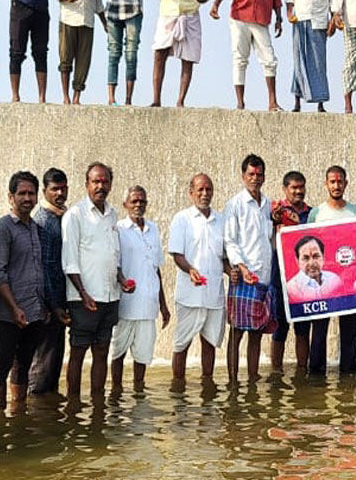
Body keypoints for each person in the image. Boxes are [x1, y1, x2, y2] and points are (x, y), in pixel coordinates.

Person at [62, 162, 127, 401]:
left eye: (105, 181)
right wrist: (83, 293)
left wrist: (121, 280)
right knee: (78, 352)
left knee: (102, 351)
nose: (101, 186)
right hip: (84, 299)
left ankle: (98, 403)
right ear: (87, 184)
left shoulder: (112, 215)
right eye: (96, 181)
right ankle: (74, 404)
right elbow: (69, 261)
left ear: (110, 184)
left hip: (110, 296)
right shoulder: (75, 215)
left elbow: (114, 255)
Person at [0, 171, 49, 411]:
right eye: (22, 193)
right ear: (10, 197)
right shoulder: (3, 228)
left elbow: (37, 270)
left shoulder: (36, 228)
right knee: (2, 364)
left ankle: (18, 412)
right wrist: (14, 308)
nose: (27, 198)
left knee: (24, 363)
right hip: (9, 314)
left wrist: (43, 304)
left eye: (31, 193)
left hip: (34, 311)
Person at [168, 174, 230, 382]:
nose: (205, 194)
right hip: (189, 295)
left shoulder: (221, 220)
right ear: (191, 192)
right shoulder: (182, 219)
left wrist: (233, 272)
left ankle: (207, 385)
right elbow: (177, 254)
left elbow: (223, 257)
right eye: (200, 190)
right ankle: (178, 388)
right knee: (181, 344)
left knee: (210, 343)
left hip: (214, 295)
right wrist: (190, 269)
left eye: (209, 189)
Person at [305, 165, 356, 374]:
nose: (336, 185)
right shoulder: (316, 213)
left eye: (340, 182)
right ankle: (315, 378)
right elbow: (307, 244)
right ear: (326, 184)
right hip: (322, 281)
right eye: (332, 181)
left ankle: (348, 378)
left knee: (349, 332)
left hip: (349, 283)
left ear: (346, 184)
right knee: (319, 331)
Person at [224, 154, 276, 383]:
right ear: (243, 176)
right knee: (237, 332)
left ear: (264, 177)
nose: (255, 178)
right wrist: (242, 268)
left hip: (264, 277)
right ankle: (233, 380)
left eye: (259, 174)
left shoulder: (268, 205)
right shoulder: (235, 204)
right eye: (251, 174)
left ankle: (253, 377)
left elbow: (271, 239)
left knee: (257, 333)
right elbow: (229, 241)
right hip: (244, 277)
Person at [113, 186, 170, 390]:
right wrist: (122, 281)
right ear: (125, 204)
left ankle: (139, 392)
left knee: (143, 356)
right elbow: (115, 264)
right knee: (117, 352)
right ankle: (116, 392)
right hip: (126, 306)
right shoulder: (118, 228)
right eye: (134, 201)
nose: (138, 205)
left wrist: (163, 305)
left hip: (148, 305)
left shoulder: (153, 229)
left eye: (142, 201)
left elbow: (156, 269)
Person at [29, 168, 69, 395]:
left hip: (59, 302)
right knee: (43, 364)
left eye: (63, 188)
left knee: (53, 361)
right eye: (55, 189)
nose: (60, 193)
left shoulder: (61, 216)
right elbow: (45, 266)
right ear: (45, 191)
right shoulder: (43, 221)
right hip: (47, 305)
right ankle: (35, 415)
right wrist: (53, 306)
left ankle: (48, 416)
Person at [269, 171, 311, 370]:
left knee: (303, 329)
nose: (298, 191)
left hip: (305, 279)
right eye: (294, 187)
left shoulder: (311, 213)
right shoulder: (274, 212)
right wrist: (275, 221)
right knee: (280, 328)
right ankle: (275, 373)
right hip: (279, 278)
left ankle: (302, 373)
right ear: (285, 189)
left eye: (301, 187)